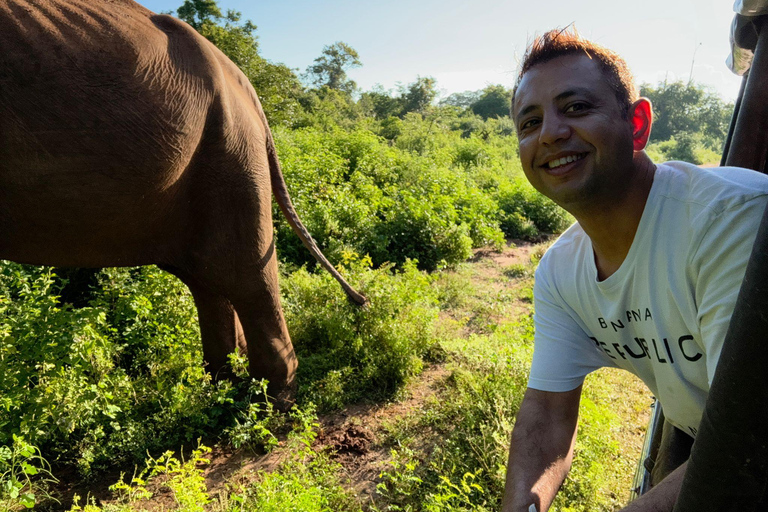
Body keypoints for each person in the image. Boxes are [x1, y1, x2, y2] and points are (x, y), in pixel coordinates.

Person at [501, 28, 768, 512]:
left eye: (577, 107)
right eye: (529, 122)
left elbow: (753, 438)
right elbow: (548, 412)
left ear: (638, 124)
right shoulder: (561, 272)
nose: (551, 133)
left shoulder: (733, 220)